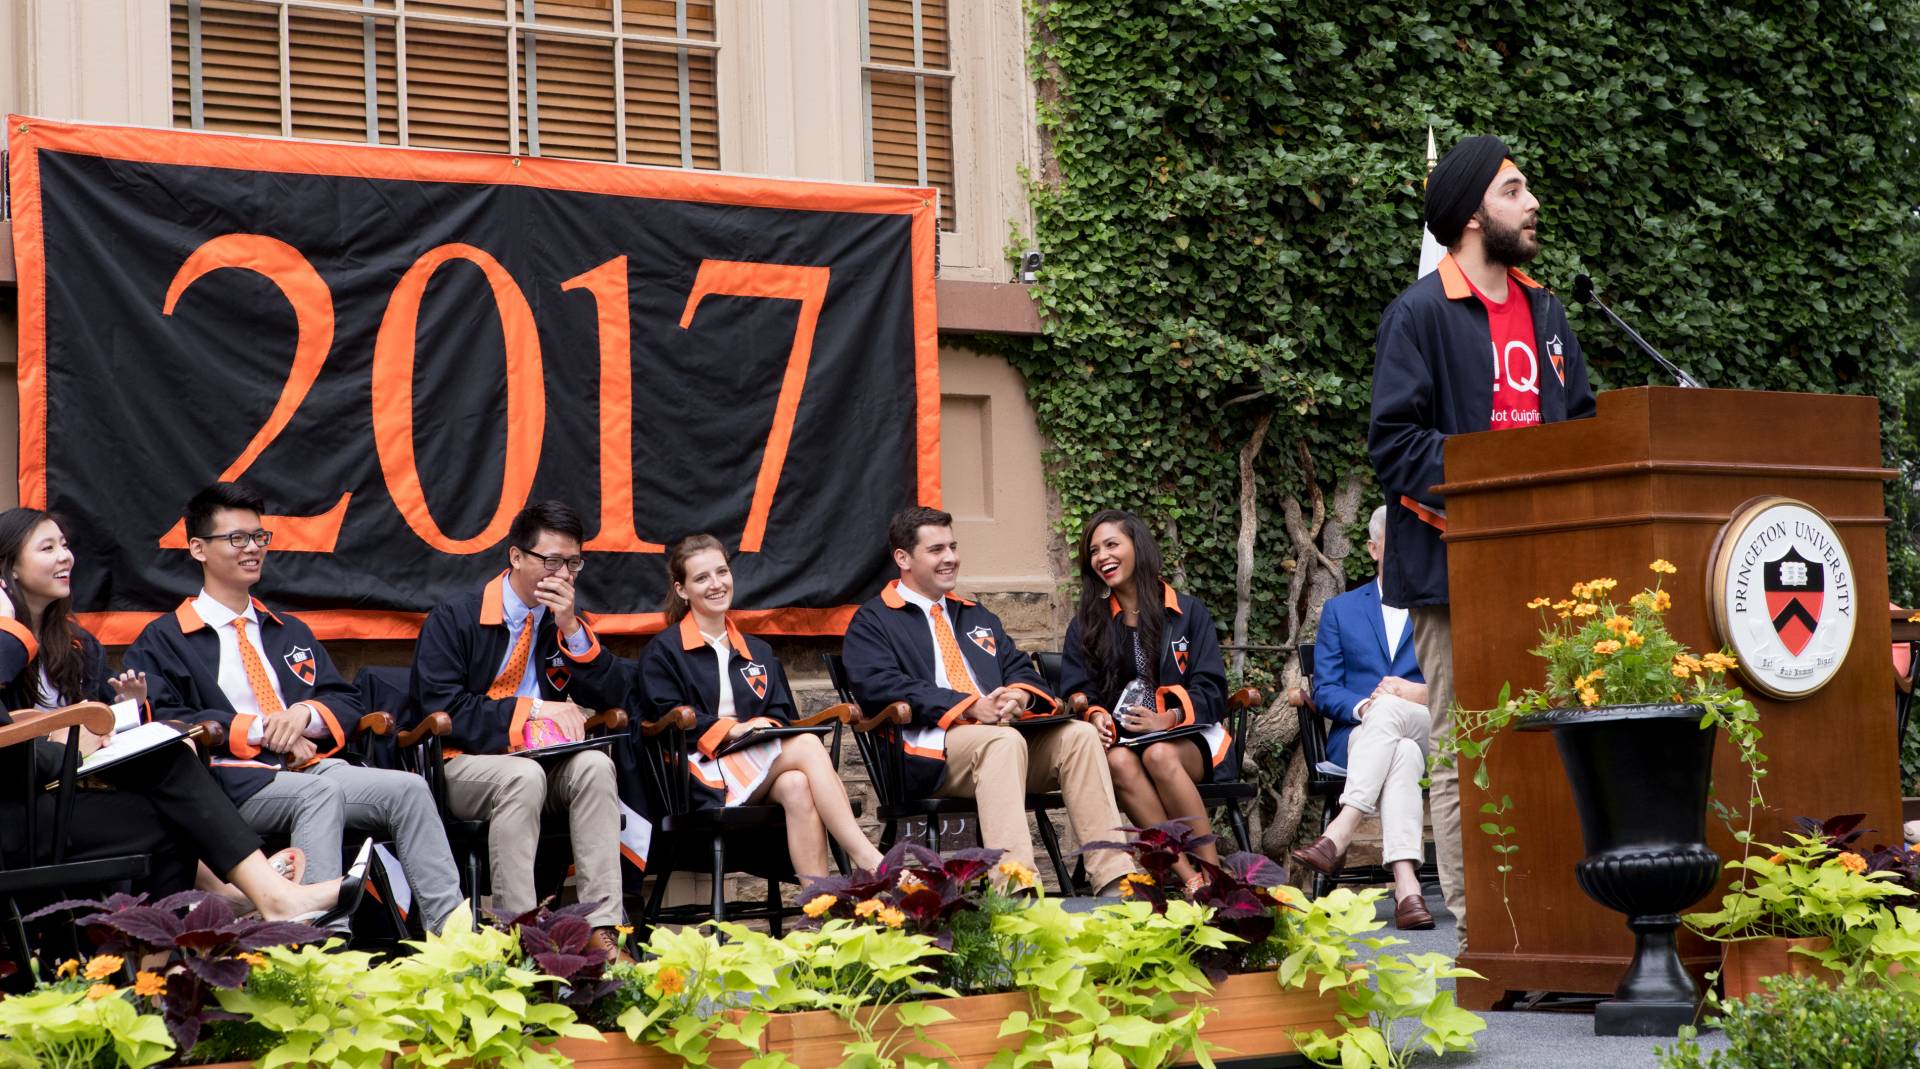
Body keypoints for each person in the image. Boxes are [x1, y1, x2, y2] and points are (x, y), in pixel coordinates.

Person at [1369, 134, 1597, 948]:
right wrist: (1492, 476)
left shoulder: (1549, 312)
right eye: (1513, 189)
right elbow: (1394, 443)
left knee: (1561, 738)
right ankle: (1488, 937)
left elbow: (1580, 427)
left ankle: (1563, 919)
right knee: (1470, 751)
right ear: (1471, 214)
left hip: (1551, 572)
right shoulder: (1420, 312)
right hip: (1454, 569)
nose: (1531, 203)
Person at [125, 483, 462, 933]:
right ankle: (321, 948)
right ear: (198, 548)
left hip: (311, 767)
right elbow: (167, 719)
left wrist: (303, 715)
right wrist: (262, 729)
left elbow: (345, 699)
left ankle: (456, 939)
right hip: (230, 782)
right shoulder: (164, 638)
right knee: (318, 796)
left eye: (259, 537)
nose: (252, 549)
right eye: (237, 539)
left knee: (409, 790)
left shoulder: (287, 629)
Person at [0, 507, 347, 923]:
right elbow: (14, 751)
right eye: (47, 548)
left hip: (70, 796)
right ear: (10, 570)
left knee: (172, 758)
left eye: (65, 545)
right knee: (175, 805)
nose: (65, 557)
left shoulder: (74, 644)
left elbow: (103, 716)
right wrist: (68, 744)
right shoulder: (8, 642)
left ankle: (172, 956)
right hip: (20, 811)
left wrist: (129, 709)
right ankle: (249, 896)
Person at [841, 505, 1136, 894]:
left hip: (1001, 743)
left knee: (1078, 737)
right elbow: (879, 685)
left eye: (953, 546)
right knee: (1003, 741)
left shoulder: (975, 615)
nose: (950, 558)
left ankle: (1116, 879)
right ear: (903, 558)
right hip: (927, 754)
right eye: (936, 550)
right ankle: (1016, 891)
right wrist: (968, 706)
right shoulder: (874, 620)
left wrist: (1017, 696)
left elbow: (1021, 669)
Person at [409, 500, 628, 956]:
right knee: (521, 776)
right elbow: (442, 707)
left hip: (542, 762)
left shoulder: (561, 621)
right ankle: (521, 935)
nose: (563, 574)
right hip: (465, 765)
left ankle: (601, 927)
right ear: (515, 557)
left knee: (593, 765)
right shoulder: (455, 617)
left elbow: (616, 695)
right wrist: (533, 710)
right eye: (551, 561)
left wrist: (570, 627)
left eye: (573, 563)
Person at [636, 535, 883, 877]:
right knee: (809, 745)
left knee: (797, 785)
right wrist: (733, 728)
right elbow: (664, 716)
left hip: (752, 760)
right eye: (701, 578)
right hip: (699, 773)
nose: (716, 584)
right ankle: (869, 859)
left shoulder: (758, 651)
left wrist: (760, 727)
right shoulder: (664, 651)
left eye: (722, 572)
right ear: (682, 590)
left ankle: (818, 908)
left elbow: (782, 715)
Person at [1058, 510, 1229, 893]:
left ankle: (1215, 877)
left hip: (1189, 738)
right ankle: (1190, 879)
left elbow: (1212, 688)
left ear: (1138, 546)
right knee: (1117, 761)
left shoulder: (1187, 613)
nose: (1102, 556)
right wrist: (1096, 716)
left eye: (1112, 544)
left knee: (1160, 755)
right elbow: (1079, 690)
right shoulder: (1089, 622)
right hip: (1125, 742)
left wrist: (1165, 719)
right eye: (1094, 550)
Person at [1290, 506, 1432, 929]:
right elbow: (1328, 689)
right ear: (1373, 548)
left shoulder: (1438, 608)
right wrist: (1365, 707)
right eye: (1396, 542)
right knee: (1400, 751)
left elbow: (1462, 679)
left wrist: (1418, 693)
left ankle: (1341, 828)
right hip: (1362, 734)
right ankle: (1408, 890)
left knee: (1398, 717)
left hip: (1428, 725)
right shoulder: (1342, 610)